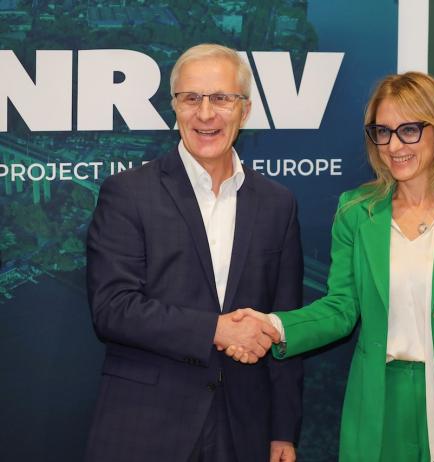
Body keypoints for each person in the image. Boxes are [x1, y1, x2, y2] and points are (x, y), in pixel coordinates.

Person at [230, 72, 434, 462]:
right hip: (378, 404)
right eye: (383, 132)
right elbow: (341, 309)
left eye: (409, 130)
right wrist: (274, 326)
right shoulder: (355, 211)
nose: (394, 145)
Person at [84, 44, 303, 462]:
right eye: (191, 99)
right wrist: (216, 330)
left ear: (245, 110)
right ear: (175, 108)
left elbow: (285, 322)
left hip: (244, 430)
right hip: (145, 426)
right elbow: (112, 309)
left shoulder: (278, 204)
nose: (206, 114)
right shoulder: (128, 194)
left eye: (221, 98)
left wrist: (283, 432)